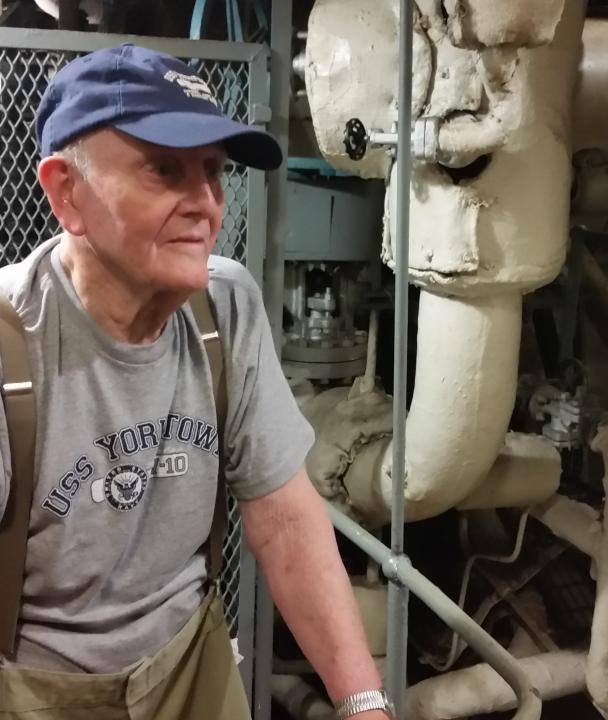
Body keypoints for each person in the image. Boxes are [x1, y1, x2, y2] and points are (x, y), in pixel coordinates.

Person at [0, 44, 392, 720]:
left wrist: (363, 704)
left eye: (212, 172)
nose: (205, 203)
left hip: (190, 664)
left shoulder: (224, 307)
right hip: (40, 690)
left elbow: (286, 518)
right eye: (164, 170)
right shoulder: (11, 344)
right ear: (67, 192)